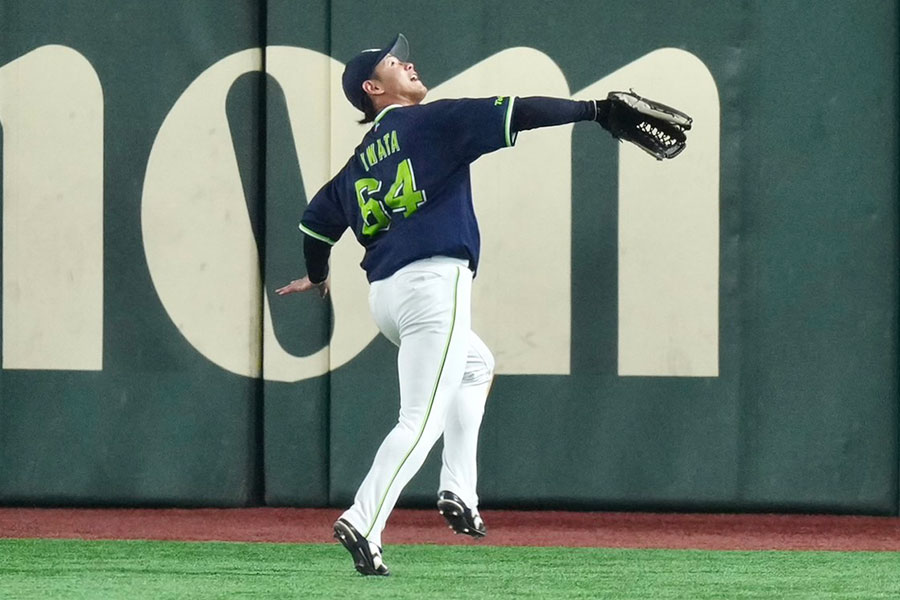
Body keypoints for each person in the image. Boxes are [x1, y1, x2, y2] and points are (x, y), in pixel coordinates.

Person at [276, 33, 613, 576]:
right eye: (393, 61)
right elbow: (521, 110)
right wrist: (593, 110)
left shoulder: (359, 160)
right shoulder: (430, 121)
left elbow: (314, 224)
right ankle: (363, 518)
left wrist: (317, 276)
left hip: (386, 297)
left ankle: (459, 490)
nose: (407, 62)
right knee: (420, 419)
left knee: (475, 367)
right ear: (372, 88)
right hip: (434, 282)